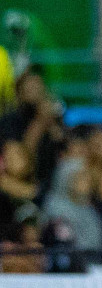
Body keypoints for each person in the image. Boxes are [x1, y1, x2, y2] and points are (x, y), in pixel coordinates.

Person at [0, 69, 67, 200]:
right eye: (30, 88)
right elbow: (20, 161)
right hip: (21, 185)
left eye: (38, 87)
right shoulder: (11, 121)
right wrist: (41, 122)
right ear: (20, 93)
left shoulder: (54, 119)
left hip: (52, 183)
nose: (36, 92)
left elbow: (63, 148)